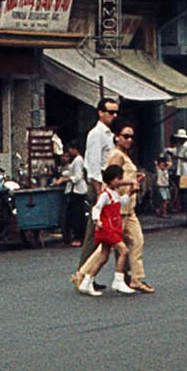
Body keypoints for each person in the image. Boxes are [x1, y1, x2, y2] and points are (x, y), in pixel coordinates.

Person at [71, 163, 134, 296]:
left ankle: (87, 282)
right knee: (123, 251)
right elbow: (97, 208)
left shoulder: (114, 193)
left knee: (103, 257)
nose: (121, 181)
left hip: (112, 227)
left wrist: (129, 193)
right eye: (119, 178)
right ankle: (118, 280)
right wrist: (96, 220)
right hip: (107, 228)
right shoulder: (105, 194)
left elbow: (121, 203)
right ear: (111, 179)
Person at [106, 122, 153, 293]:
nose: (129, 140)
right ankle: (83, 274)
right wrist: (130, 182)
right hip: (119, 207)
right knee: (106, 247)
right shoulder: (116, 155)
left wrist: (134, 178)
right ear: (116, 137)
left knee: (137, 240)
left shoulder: (124, 155)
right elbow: (110, 180)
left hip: (128, 207)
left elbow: (122, 176)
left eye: (131, 137)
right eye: (125, 136)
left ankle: (136, 279)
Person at [77, 97, 120, 276]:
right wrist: (98, 190)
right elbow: (93, 165)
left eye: (116, 112)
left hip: (109, 186)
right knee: (94, 232)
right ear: (101, 113)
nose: (114, 115)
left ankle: (91, 274)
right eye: (110, 112)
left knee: (111, 231)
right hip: (100, 185)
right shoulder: (96, 134)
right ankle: (83, 273)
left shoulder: (109, 134)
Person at [52, 145, 90, 244]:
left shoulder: (78, 160)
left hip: (77, 190)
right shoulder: (77, 160)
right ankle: (78, 236)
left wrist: (63, 179)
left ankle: (78, 237)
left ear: (74, 149)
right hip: (75, 190)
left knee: (77, 215)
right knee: (76, 214)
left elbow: (77, 177)